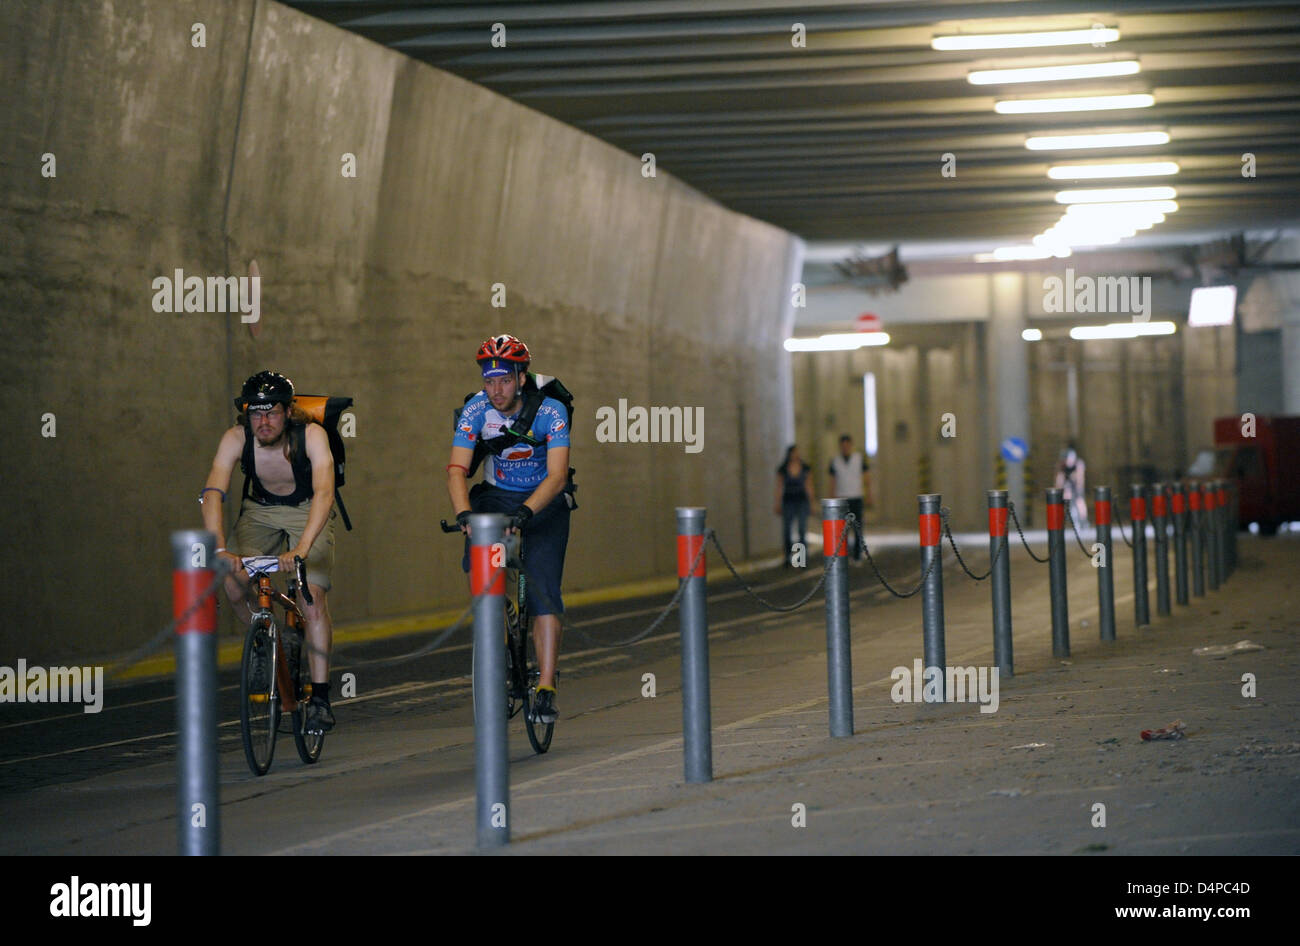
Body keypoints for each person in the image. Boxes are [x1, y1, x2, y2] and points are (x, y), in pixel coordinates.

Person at [201, 371, 339, 734]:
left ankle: (321, 700)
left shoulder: (311, 435)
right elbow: (213, 491)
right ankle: (268, 641)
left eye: (272, 412)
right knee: (233, 583)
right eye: (255, 413)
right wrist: (218, 548)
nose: (264, 422)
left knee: (312, 599)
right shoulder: (236, 438)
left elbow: (325, 492)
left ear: (288, 411)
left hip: (309, 509)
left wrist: (302, 549)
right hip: (259, 510)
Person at [447, 334, 572, 724]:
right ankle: (497, 653)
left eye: (504, 380)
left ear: (521, 377)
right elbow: (456, 470)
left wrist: (527, 513)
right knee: (485, 578)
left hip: (543, 500)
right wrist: (465, 514)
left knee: (544, 593)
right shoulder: (475, 411)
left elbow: (557, 476)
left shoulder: (551, 411)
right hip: (496, 498)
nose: (495, 390)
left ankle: (547, 687)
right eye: (489, 381)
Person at [828, 434, 873, 561]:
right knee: (843, 530)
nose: (845, 448)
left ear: (851, 445)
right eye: (843, 446)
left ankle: (857, 555)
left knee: (858, 528)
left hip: (856, 497)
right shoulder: (835, 461)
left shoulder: (859, 459)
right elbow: (832, 480)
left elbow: (867, 477)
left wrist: (869, 494)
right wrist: (832, 498)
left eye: (847, 445)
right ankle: (844, 555)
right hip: (842, 499)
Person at [774, 445, 816, 566]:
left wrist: (811, 503)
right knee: (787, 530)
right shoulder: (783, 469)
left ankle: (801, 559)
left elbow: (809, 486)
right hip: (788, 501)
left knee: (802, 530)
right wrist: (777, 503)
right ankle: (787, 556)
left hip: (802, 501)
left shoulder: (805, 468)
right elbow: (779, 487)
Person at [1055, 439, 1088, 528]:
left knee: (1079, 501)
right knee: (1066, 497)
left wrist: (1078, 489)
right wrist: (1059, 489)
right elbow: (1059, 477)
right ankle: (1068, 516)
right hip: (1067, 483)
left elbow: (1080, 478)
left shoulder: (1079, 464)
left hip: (1076, 483)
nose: (1067, 462)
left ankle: (1083, 520)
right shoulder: (1062, 465)